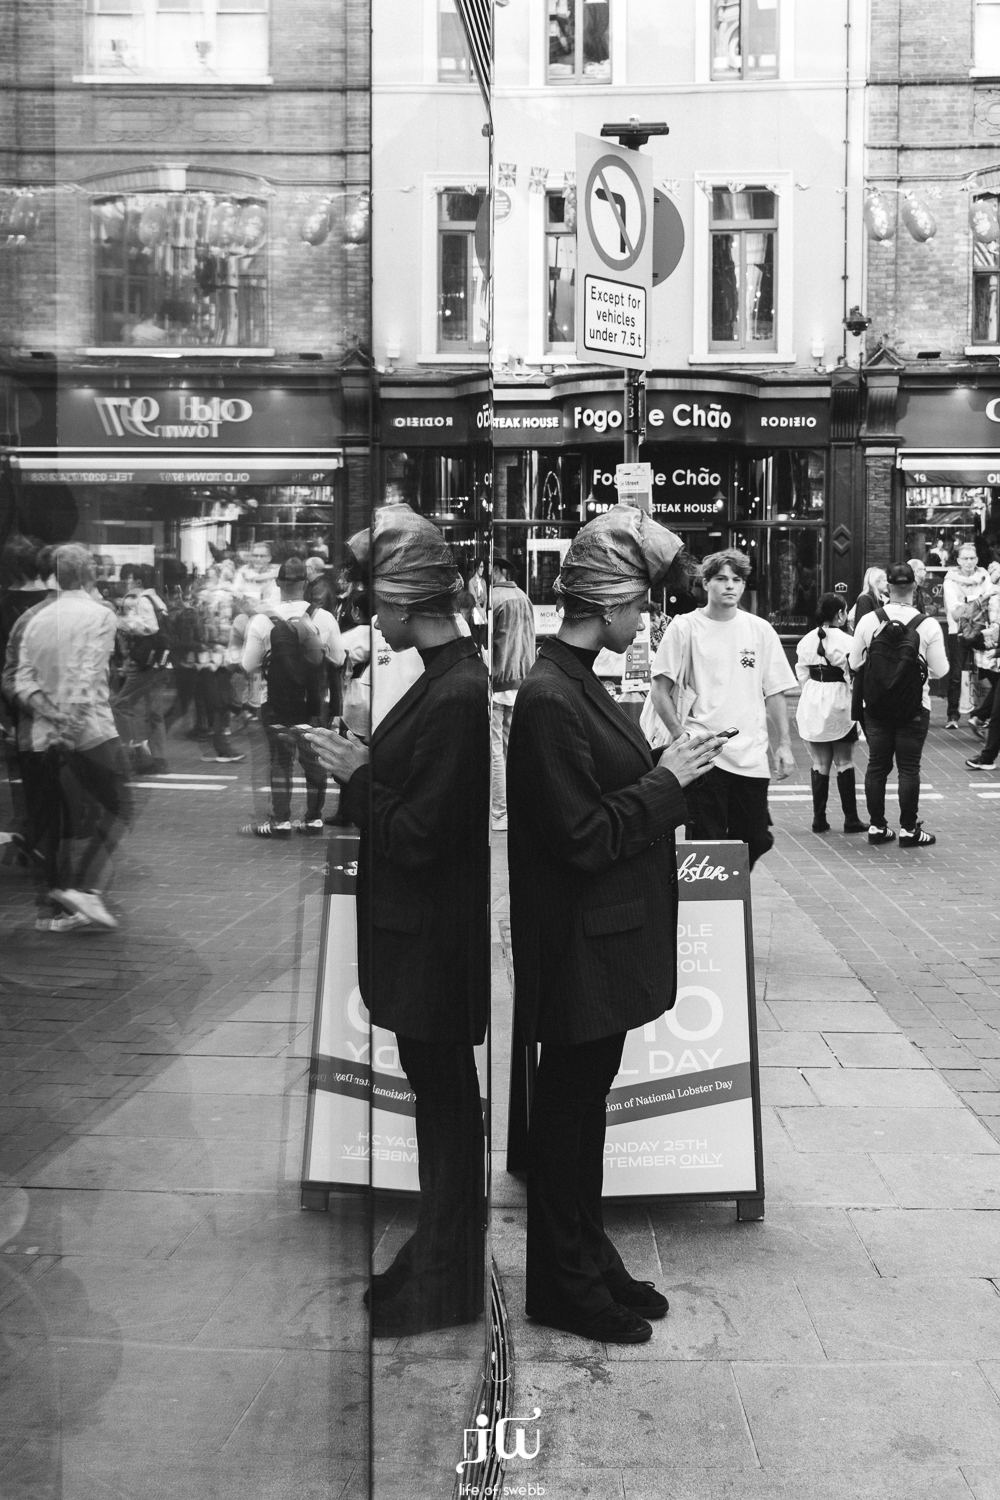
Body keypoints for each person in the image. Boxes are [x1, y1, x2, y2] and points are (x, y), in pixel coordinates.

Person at [505, 503, 727, 1346]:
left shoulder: (578, 684)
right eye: (642, 606)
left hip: (599, 943)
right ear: (609, 604)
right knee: (567, 1120)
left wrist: (678, 766)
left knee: (582, 1114)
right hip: (577, 949)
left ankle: (588, 1259)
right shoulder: (551, 696)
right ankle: (562, 1285)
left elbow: (607, 799)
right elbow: (580, 835)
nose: (648, 622)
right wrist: (669, 779)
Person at [307, 502, 489, 1338]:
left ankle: (445, 1273)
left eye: (377, 600)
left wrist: (358, 775)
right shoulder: (443, 676)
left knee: (446, 1109)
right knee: (443, 1106)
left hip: (430, 941)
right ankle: (438, 1257)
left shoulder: (453, 687)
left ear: (408, 601)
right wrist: (372, 768)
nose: (370, 617)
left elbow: (422, 832)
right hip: (428, 939)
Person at [648, 549, 797, 870]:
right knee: (706, 844)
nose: (730, 586)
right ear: (705, 583)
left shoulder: (759, 630)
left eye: (737, 580)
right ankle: (709, 911)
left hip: (751, 755)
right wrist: (681, 735)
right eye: (721, 579)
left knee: (755, 837)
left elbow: (774, 692)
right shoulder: (685, 628)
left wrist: (783, 743)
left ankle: (726, 894)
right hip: (705, 756)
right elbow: (660, 689)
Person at [13, 544, 132, 931]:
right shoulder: (100, 614)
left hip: (44, 734)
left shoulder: (35, 618)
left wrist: (51, 717)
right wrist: (71, 727)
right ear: (87, 573)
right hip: (90, 732)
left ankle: (62, 905)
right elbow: (88, 675)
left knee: (55, 822)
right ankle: (84, 889)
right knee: (118, 808)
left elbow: (22, 680)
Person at [241, 557, 344, 836]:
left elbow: (248, 665)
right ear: (305, 583)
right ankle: (313, 819)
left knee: (280, 761)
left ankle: (280, 820)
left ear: (277, 583)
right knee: (313, 759)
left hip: (275, 704)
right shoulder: (323, 617)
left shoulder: (262, 620)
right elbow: (338, 657)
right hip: (314, 704)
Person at [848, 561, 948, 847]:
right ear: (914, 587)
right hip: (914, 708)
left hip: (876, 706)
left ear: (887, 587)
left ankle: (878, 828)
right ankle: (908, 830)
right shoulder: (926, 624)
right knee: (909, 768)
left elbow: (854, 662)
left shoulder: (870, 620)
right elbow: (941, 671)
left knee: (877, 766)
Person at [794, 593, 866, 834]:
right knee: (844, 761)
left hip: (813, 701)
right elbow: (852, 675)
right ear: (841, 614)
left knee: (819, 762)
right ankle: (851, 819)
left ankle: (819, 819)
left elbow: (802, 675)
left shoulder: (805, 640)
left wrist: (813, 693)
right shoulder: (848, 641)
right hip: (840, 702)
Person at [490, 555, 535, 832]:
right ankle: (512, 807)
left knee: (495, 749)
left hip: (498, 683)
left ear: (497, 571)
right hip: (521, 682)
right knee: (510, 749)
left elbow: (489, 643)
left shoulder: (494, 599)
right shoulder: (524, 597)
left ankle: (499, 812)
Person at [111, 564, 171, 775]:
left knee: (121, 705)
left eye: (128, 579)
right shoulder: (156, 599)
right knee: (154, 712)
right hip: (161, 661)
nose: (126, 583)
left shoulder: (142, 600)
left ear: (135, 580)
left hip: (145, 661)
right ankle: (159, 759)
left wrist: (123, 622)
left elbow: (149, 627)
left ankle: (135, 753)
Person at [942, 542, 991, 729]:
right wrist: (978, 601)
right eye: (965, 559)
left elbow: (990, 600)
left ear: (977, 559)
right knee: (955, 674)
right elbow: (955, 612)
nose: (969, 562)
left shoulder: (984, 575)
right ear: (958, 560)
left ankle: (980, 715)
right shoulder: (950, 580)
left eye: (972, 558)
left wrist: (966, 602)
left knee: (985, 672)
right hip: (958, 631)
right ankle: (952, 716)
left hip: (981, 631)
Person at [847, 567, 888, 632]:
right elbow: (862, 626)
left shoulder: (877, 599)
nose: (887, 583)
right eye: (884, 580)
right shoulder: (865, 599)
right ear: (877, 582)